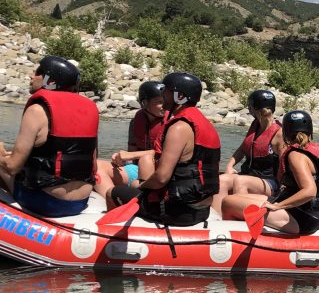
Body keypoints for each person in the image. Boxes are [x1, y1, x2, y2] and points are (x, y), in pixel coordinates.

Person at [108, 72, 221, 227]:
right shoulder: (204, 124)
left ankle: (113, 243)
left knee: (113, 192)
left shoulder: (179, 127)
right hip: (201, 208)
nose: (162, 94)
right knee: (136, 185)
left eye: (165, 90)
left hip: (177, 210)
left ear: (179, 96)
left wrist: (141, 186)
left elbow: (161, 178)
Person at [0, 55, 98, 217]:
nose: (32, 75)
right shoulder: (90, 108)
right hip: (80, 202)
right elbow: (92, 162)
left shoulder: (37, 110)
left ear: (50, 81)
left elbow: (12, 167)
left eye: (38, 72)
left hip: (46, 201)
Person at [222, 110, 319, 235]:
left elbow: (309, 191)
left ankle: (233, 239)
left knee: (228, 202)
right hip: (312, 215)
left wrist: (278, 206)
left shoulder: (296, 155)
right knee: (236, 198)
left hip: (301, 218)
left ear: (285, 132)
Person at [213, 90, 284, 214]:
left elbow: (285, 164)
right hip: (250, 175)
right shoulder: (255, 125)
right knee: (222, 180)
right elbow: (243, 148)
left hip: (270, 182)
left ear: (253, 109)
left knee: (241, 181)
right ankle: (219, 220)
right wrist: (230, 166)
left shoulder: (279, 133)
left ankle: (241, 217)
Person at [95, 81, 165, 198]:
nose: (164, 106)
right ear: (144, 103)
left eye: (165, 102)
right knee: (96, 167)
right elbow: (131, 154)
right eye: (159, 102)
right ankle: (114, 200)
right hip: (136, 170)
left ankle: (130, 199)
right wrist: (121, 159)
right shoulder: (136, 122)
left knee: (144, 161)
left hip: (158, 173)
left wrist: (131, 155)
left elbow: (167, 153)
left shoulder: (172, 124)